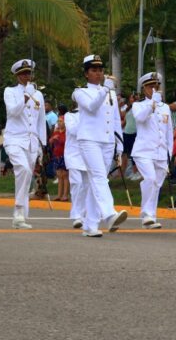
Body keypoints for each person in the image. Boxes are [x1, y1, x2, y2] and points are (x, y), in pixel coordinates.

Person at [71, 54, 128, 238]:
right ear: (86, 74)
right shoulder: (80, 92)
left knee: (98, 180)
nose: (98, 74)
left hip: (107, 141)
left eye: (100, 70)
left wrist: (119, 146)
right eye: (94, 70)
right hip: (89, 140)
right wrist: (106, 90)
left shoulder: (109, 92)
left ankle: (90, 224)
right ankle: (109, 214)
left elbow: (115, 121)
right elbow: (91, 107)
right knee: (98, 177)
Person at [3, 59, 47, 229]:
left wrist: (42, 144)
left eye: (29, 73)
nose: (26, 76)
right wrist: (26, 96)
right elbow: (13, 112)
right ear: (17, 76)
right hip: (14, 139)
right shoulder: (10, 91)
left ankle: (18, 216)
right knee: (23, 169)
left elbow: (41, 120)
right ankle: (19, 210)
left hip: (32, 141)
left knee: (26, 176)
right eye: (23, 73)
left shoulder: (39, 95)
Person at [131, 72, 174, 228]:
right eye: (150, 87)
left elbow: (169, 132)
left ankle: (150, 217)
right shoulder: (138, 105)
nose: (154, 89)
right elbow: (141, 118)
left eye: (156, 86)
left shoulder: (166, 108)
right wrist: (152, 104)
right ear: (144, 89)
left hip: (161, 152)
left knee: (156, 184)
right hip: (143, 151)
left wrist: (170, 153)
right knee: (150, 179)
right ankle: (147, 213)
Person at [64, 105, 85, 228]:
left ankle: (85, 214)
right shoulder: (70, 115)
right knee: (77, 183)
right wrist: (85, 118)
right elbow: (73, 131)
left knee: (87, 186)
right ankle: (77, 215)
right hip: (73, 155)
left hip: (89, 154)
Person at [121, 94, 141, 181]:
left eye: (132, 98)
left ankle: (136, 172)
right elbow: (125, 121)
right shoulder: (128, 108)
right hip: (126, 132)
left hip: (134, 132)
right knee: (124, 153)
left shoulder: (139, 107)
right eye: (131, 98)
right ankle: (123, 173)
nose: (131, 99)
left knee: (134, 154)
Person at [50, 118, 68, 201]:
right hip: (56, 156)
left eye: (61, 121)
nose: (59, 123)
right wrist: (53, 139)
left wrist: (59, 139)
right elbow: (50, 141)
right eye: (58, 121)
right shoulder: (56, 132)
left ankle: (65, 195)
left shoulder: (67, 133)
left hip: (64, 156)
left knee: (65, 175)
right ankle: (59, 195)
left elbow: (66, 142)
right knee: (59, 175)